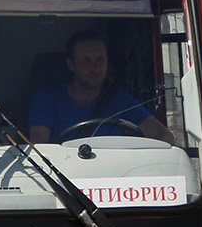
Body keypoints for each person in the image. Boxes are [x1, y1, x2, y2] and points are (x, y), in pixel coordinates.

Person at [28, 30, 174, 143]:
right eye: (87, 60)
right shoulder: (47, 99)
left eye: (100, 59)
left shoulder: (120, 101)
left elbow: (164, 136)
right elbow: (39, 142)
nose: (95, 67)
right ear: (71, 64)